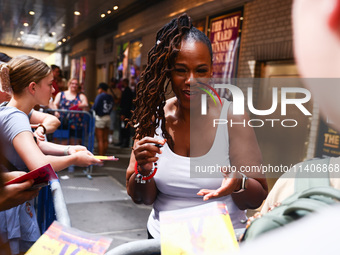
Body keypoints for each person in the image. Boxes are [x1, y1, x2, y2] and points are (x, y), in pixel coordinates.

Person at [125, 14, 268, 239]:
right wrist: (144, 172)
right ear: (168, 72)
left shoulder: (233, 117)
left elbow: (256, 197)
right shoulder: (154, 118)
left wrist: (238, 182)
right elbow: (142, 198)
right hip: (162, 242)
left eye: (200, 70)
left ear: (211, 72)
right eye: (181, 70)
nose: (191, 80)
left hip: (220, 242)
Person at [0, 55, 101, 254]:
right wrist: (74, 159)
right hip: (9, 211)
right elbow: (40, 167)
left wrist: (68, 149)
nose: (54, 90)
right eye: (49, 84)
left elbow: (33, 146)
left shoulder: (8, 111)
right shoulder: (16, 118)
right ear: (32, 87)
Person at [53, 78, 89, 145]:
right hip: (62, 122)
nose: (74, 85)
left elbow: (86, 104)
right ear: (69, 84)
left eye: (76, 84)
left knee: (74, 143)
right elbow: (55, 104)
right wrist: (56, 111)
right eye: (72, 83)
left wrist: (78, 106)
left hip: (76, 124)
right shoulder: (61, 94)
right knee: (61, 142)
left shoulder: (81, 96)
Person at [92, 82, 114, 155]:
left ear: (101, 89)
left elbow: (95, 106)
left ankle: (101, 157)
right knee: (105, 138)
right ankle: (104, 155)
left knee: (100, 139)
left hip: (100, 118)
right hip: (108, 117)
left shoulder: (100, 96)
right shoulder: (110, 97)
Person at [118, 78, 133, 148]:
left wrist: (123, 113)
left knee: (125, 128)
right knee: (123, 127)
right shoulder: (126, 90)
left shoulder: (127, 91)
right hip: (125, 111)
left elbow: (126, 103)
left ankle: (125, 142)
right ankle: (122, 141)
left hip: (126, 112)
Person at [108, 78, 122, 144]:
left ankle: (110, 136)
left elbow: (118, 100)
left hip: (113, 109)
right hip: (107, 109)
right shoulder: (108, 90)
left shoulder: (118, 91)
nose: (112, 84)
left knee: (112, 123)